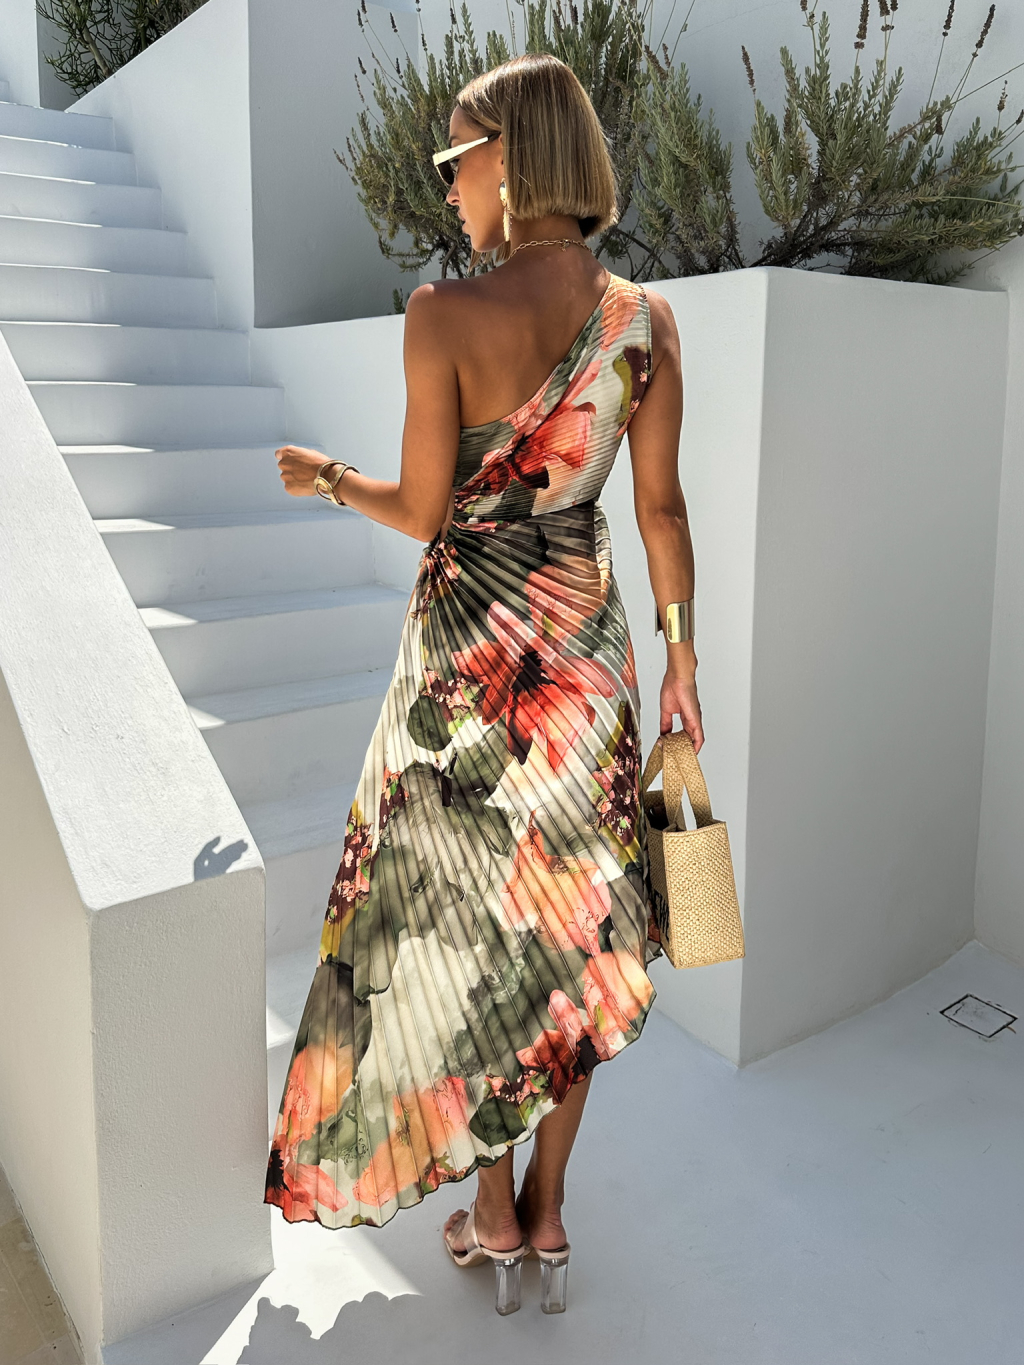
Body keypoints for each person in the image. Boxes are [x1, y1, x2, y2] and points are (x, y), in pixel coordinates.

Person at [266, 52, 702, 1316]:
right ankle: (549, 1215)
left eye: (455, 160)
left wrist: (326, 479)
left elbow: (423, 511)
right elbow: (661, 511)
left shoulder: (440, 315)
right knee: (573, 937)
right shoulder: (645, 323)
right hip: (584, 670)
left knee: (472, 935)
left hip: (465, 679)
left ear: (508, 161)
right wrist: (682, 661)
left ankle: (495, 1210)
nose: (448, 185)